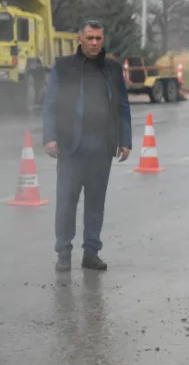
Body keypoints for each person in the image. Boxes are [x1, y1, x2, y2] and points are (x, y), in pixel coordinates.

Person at [43, 20, 132, 272]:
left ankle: (91, 252)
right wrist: (50, 137)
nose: (94, 43)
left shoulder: (112, 69)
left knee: (96, 202)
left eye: (99, 39)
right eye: (90, 38)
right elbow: (50, 104)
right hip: (71, 147)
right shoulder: (63, 67)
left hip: (101, 148)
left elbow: (123, 107)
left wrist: (125, 140)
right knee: (66, 202)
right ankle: (63, 252)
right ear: (79, 39)